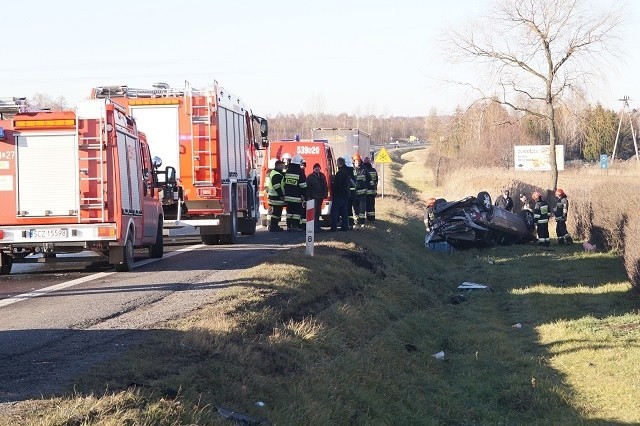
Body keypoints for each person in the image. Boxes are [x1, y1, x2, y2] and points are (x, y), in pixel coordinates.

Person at [284, 154, 307, 232]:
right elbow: (303, 185)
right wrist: (304, 195)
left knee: (289, 212)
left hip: (288, 196)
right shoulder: (300, 171)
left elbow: (285, 183)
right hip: (296, 196)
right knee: (297, 213)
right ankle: (295, 226)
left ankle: (289, 226)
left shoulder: (288, 170)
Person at [330, 157, 351, 231]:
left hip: (340, 194)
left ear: (339, 164)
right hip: (346, 194)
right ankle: (345, 227)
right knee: (344, 210)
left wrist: (333, 185)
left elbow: (337, 185)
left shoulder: (340, 173)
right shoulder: (347, 171)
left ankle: (333, 227)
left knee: (334, 210)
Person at [306, 162, 328, 231]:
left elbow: (325, 186)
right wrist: (308, 197)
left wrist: (325, 194)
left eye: (318, 167)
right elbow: (307, 188)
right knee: (314, 212)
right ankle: (313, 227)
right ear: (313, 169)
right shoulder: (310, 177)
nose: (317, 169)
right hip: (313, 197)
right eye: (316, 168)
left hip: (320, 197)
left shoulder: (322, 176)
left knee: (318, 212)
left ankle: (318, 226)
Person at [267, 160, 286, 232]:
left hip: (274, 196)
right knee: (276, 213)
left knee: (277, 213)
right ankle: (274, 227)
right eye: (281, 165)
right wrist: (281, 195)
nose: (283, 166)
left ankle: (275, 226)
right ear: (277, 166)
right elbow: (277, 186)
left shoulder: (276, 173)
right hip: (276, 197)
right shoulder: (276, 174)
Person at [352, 153, 370, 227]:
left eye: (358, 161)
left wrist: (367, 188)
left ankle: (362, 222)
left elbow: (369, 179)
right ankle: (356, 222)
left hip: (362, 193)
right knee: (355, 208)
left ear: (360, 161)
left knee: (362, 209)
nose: (357, 162)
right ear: (354, 161)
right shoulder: (352, 169)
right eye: (356, 161)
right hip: (354, 193)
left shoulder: (364, 169)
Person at [363, 157, 378, 222]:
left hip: (364, 192)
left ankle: (362, 220)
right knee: (371, 206)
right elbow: (376, 181)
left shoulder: (362, 170)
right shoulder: (373, 170)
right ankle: (371, 219)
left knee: (362, 206)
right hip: (372, 192)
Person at [344, 155, 357, 228]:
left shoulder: (346, 170)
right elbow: (355, 180)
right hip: (353, 193)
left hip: (347, 193)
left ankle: (348, 224)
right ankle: (351, 223)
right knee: (350, 209)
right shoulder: (353, 170)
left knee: (347, 209)